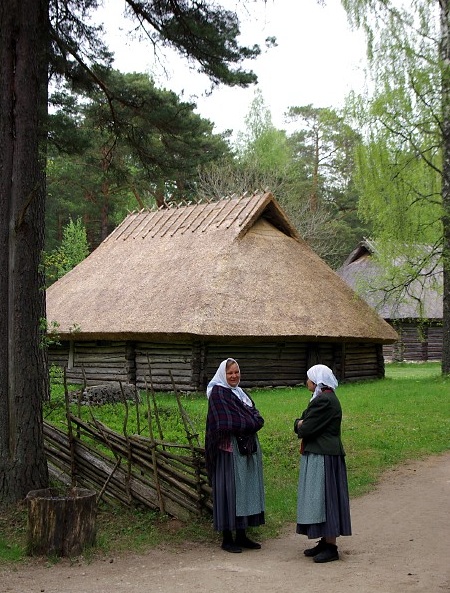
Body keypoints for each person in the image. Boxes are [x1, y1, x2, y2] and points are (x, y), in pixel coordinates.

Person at [205, 358, 265, 553]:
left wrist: (252, 420)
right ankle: (227, 538)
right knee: (229, 493)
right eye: (230, 373)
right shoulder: (218, 394)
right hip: (228, 453)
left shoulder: (240, 393)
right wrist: (252, 422)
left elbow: (256, 416)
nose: (234, 376)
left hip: (245, 450)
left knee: (244, 491)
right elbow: (226, 423)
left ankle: (242, 535)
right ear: (223, 374)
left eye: (236, 372)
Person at [294, 364, 351, 563]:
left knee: (326, 499)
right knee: (321, 499)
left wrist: (299, 423)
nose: (306, 381)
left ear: (317, 380)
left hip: (324, 456)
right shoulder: (323, 398)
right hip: (322, 454)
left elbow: (305, 427)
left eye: (308, 378)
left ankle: (331, 547)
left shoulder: (324, 401)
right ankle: (325, 541)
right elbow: (305, 421)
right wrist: (301, 422)